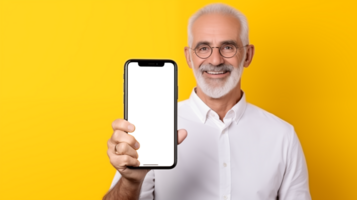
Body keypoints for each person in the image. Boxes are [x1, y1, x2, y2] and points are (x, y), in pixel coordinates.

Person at [103, 3, 311, 200]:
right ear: (189, 57)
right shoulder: (154, 127)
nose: (215, 60)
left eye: (228, 47)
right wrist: (130, 182)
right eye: (203, 48)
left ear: (247, 55)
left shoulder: (282, 137)